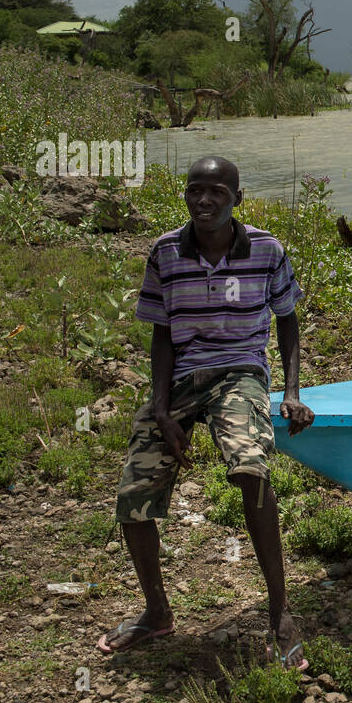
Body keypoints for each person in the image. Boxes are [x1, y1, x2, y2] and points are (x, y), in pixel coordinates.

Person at [97, 156, 315, 668]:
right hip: (179, 379)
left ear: (237, 198)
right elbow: (161, 332)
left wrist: (292, 391)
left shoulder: (266, 250)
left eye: (216, 192)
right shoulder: (166, 252)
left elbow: (287, 321)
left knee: (250, 468)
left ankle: (280, 612)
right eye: (195, 191)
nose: (204, 201)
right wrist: (160, 406)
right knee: (134, 496)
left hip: (239, 371)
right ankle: (156, 611)